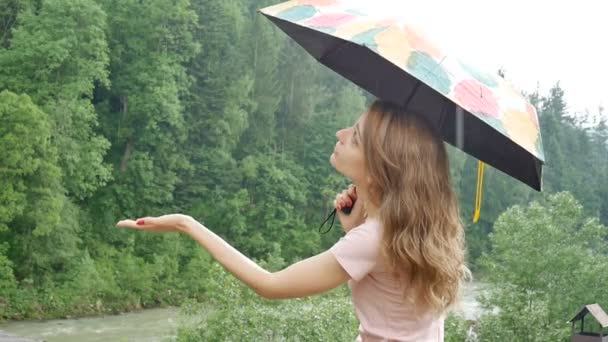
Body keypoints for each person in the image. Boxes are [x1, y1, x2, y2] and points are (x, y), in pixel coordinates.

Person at [116, 99, 470, 341]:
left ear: (378, 171)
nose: (340, 136)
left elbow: (270, 285)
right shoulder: (413, 230)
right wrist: (355, 226)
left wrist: (185, 223)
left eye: (356, 138)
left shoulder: (375, 239)